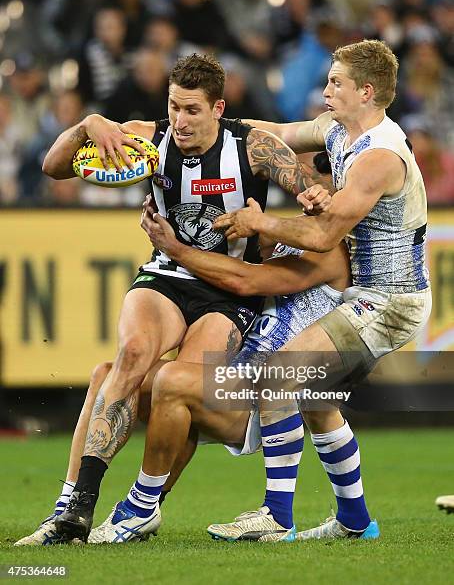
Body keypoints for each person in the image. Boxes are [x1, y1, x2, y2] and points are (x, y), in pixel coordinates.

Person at [40, 53, 329, 544]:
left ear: (218, 108)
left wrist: (313, 201)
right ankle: (75, 509)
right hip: (165, 277)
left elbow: (315, 205)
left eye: (192, 110)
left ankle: (140, 509)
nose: (180, 120)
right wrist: (90, 125)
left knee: (179, 391)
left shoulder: (256, 149)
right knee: (130, 358)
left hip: (226, 290)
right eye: (174, 107)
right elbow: (53, 165)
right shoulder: (145, 138)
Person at [16, 155, 358, 545]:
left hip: (259, 400)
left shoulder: (329, 252)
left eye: (320, 177)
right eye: (309, 175)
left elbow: (246, 280)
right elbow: (241, 240)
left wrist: (175, 246)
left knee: (173, 379)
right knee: (107, 374)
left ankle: (139, 508)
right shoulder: (293, 234)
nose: (309, 183)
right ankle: (66, 511)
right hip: (233, 377)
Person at [204, 38, 432, 541]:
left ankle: (276, 516)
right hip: (363, 291)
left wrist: (259, 221)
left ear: (366, 92)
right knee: (315, 399)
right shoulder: (337, 128)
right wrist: (214, 129)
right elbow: (282, 133)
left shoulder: (381, 157)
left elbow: (325, 236)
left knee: (279, 375)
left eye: (336, 82)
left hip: (390, 300)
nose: (325, 88)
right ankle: (355, 522)